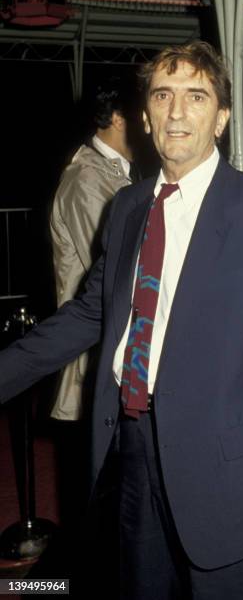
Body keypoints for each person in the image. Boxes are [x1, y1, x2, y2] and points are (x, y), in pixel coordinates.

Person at [0, 41, 243, 599]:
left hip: (224, 473)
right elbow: (90, 314)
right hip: (128, 451)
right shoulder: (129, 208)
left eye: (196, 96)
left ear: (222, 118)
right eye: (163, 95)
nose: (177, 111)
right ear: (145, 115)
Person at [50, 77, 137, 421]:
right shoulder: (87, 179)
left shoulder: (116, 173)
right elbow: (115, 270)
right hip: (98, 354)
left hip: (116, 348)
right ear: (117, 118)